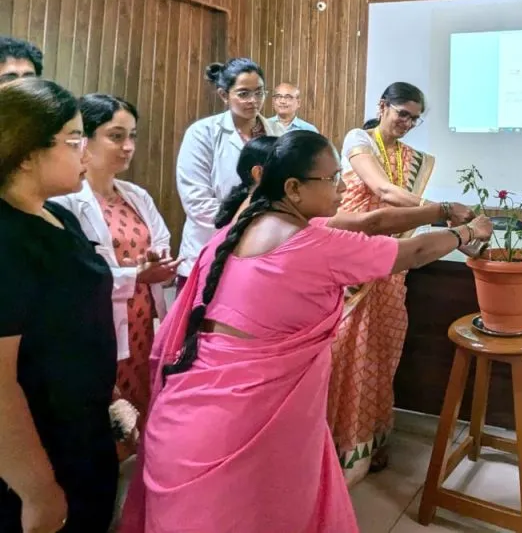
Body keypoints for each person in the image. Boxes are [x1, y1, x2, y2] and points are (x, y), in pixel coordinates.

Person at [118, 130, 492, 532]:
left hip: (187, 411)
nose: (343, 187)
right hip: (247, 419)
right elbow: (413, 252)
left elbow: (373, 222)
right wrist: (469, 233)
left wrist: (440, 210)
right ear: (294, 188)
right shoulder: (316, 246)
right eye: (332, 179)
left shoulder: (236, 229)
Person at [329, 81, 473, 483]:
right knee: (345, 352)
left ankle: (370, 439)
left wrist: (447, 221)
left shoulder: (410, 158)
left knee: (380, 353)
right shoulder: (359, 139)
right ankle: (333, 444)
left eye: (414, 118)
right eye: (402, 114)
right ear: (383, 106)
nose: (407, 123)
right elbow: (382, 191)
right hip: (355, 263)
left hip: (391, 269)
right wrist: (443, 210)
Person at [0, 78, 119, 532]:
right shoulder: (8, 237)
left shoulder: (60, 215)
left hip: (83, 431)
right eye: (73, 140)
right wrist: (36, 488)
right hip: (36, 447)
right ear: (26, 153)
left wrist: (111, 397)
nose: (85, 153)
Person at [50, 94, 180, 439]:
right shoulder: (64, 202)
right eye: (116, 136)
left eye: (132, 136)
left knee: (142, 409)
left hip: (143, 321)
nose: (128, 146)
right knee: (103, 416)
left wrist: (159, 263)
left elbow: (160, 240)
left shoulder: (136, 195)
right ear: (85, 139)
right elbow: (73, 273)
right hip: (96, 323)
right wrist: (135, 274)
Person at [175, 58, 286, 292]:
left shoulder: (277, 133)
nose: (253, 100)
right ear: (224, 95)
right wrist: (246, 224)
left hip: (263, 247)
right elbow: (196, 202)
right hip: (210, 244)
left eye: (259, 92)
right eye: (244, 94)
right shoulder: (202, 133)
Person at [217, 135, 476, 235]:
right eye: (331, 179)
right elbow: (372, 223)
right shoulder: (286, 223)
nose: (342, 188)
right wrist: (446, 213)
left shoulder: (255, 214)